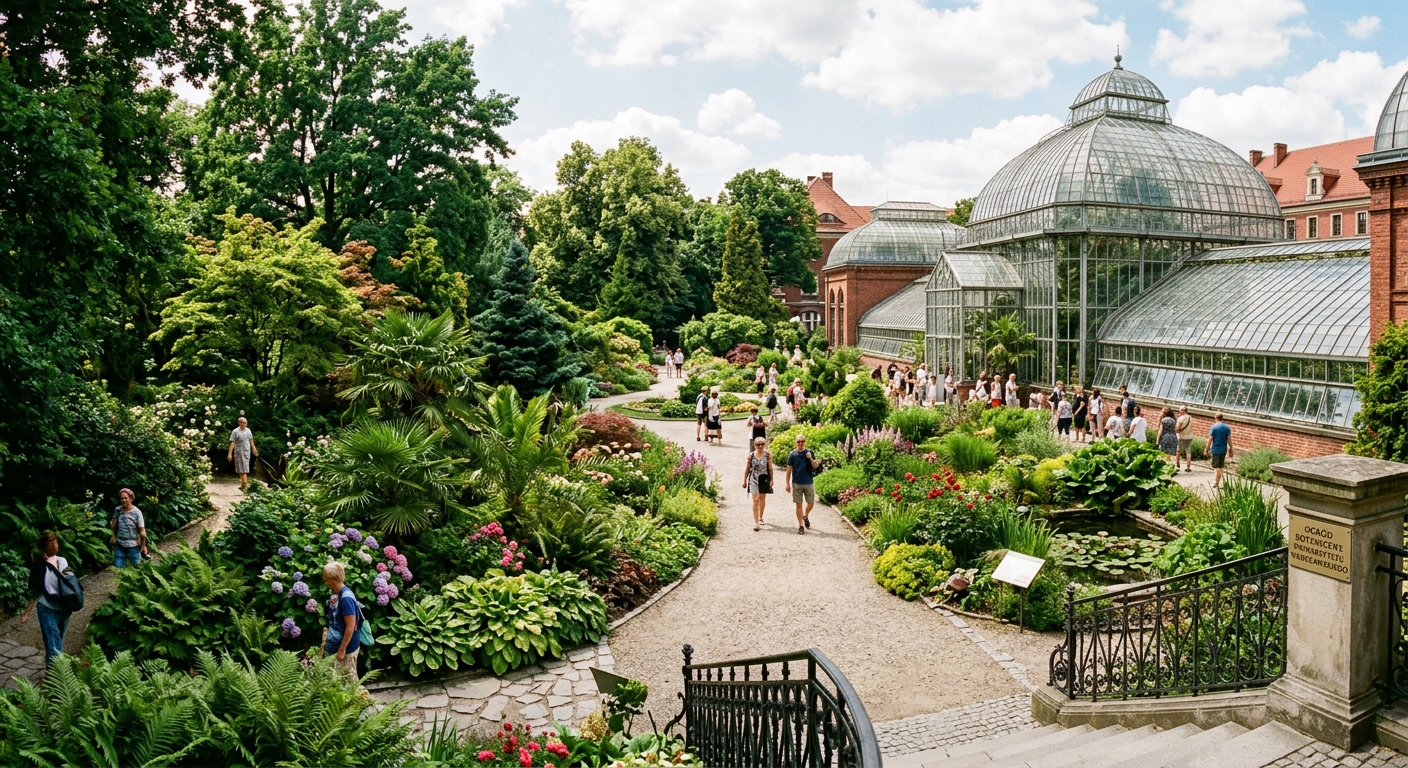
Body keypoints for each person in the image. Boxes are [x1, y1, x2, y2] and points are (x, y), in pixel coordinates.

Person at [19, 532, 74, 666]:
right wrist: (27, 612)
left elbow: (71, 583)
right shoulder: (39, 565)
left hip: (64, 608)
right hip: (46, 608)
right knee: (53, 644)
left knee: (57, 641)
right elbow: (35, 589)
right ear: (45, 546)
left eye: (56, 542)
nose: (55, 545)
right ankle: (58, 676)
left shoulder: (62, 561)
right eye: (52, 542)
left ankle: (53, 674)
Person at [321, 562, 364, 676]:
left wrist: (341, 650)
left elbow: (350, 626)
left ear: (334, 580)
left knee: (348, 681)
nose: (325, 582)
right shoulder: (338, 594)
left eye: (326, 580)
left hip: (347, 650)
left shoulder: (346, 599)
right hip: (340, 647)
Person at [785, 433, 820, 534]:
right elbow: (788, 470)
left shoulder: (809, 452)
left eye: (802, 441)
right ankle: (800, 525)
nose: (800, 443)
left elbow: (816, 466)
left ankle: (805, 515)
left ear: (805, 442)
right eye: (798, 441)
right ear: (796, 442)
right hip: (797, 483)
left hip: (808, 481)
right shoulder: (792, 454)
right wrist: (787, 483)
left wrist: (810, 458)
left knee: (811, 503)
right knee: (798, 505)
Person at [110, 488, 148, 568]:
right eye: (121, 498)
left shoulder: (137, 512)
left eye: (125, 498)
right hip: (120, 544)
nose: (123, 500)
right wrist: (113, 535)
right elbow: (113, 525)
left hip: (133, 545)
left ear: (131, 498)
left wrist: (143, 545)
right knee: (118, 569)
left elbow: (142, 531)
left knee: (137, 568)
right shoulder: (118, 510)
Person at [743, 437, 775, 532]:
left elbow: (770, 467)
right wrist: (744, 480)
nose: (760, 446)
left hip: (764, 478)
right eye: (758, 444)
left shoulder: (768, 454)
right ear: (754, 445)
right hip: (754, 478)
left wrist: (771, 479)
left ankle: (761, 517)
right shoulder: (751, 455)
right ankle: (756, 522)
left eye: (762, 444)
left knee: (762, 498)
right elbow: (747, 468)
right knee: (755, 500)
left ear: (764, 445)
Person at [228, 416, 259, 491]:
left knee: (244, 469)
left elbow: (251, 441)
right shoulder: (235, 431)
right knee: (239, 469)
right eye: (242, 422)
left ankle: (244, 484)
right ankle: (243, 484)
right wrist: (230, 454)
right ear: (239, 423)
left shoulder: (248, 431)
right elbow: (232, 442)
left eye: (245, 423)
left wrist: (254, 449)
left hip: (246, 452)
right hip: (238, 452)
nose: (244, 424)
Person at [1208, 413, 1233, 488]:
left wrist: (1206, 449)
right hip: (1223, 449)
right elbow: (1229, 439)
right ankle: (1224, 481)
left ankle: (1216, 483)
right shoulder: (1227, 427)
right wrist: (1231, 448)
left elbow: (1210, 439)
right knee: (1220, 466)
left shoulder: (1214, 427)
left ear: (1215, 418)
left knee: (1216, 467)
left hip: (1216, 449)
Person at [1175, 406, 1195, 473]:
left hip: (1182, 437)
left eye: (1180, 410)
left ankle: (1177, 465)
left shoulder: (1180, 419)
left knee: (1178, 451)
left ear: (1183, 410)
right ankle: (1188, 467)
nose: (1179, 411)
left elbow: (1177, 429)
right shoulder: (1190, 417)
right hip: (1189, 436)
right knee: (1188, 451)